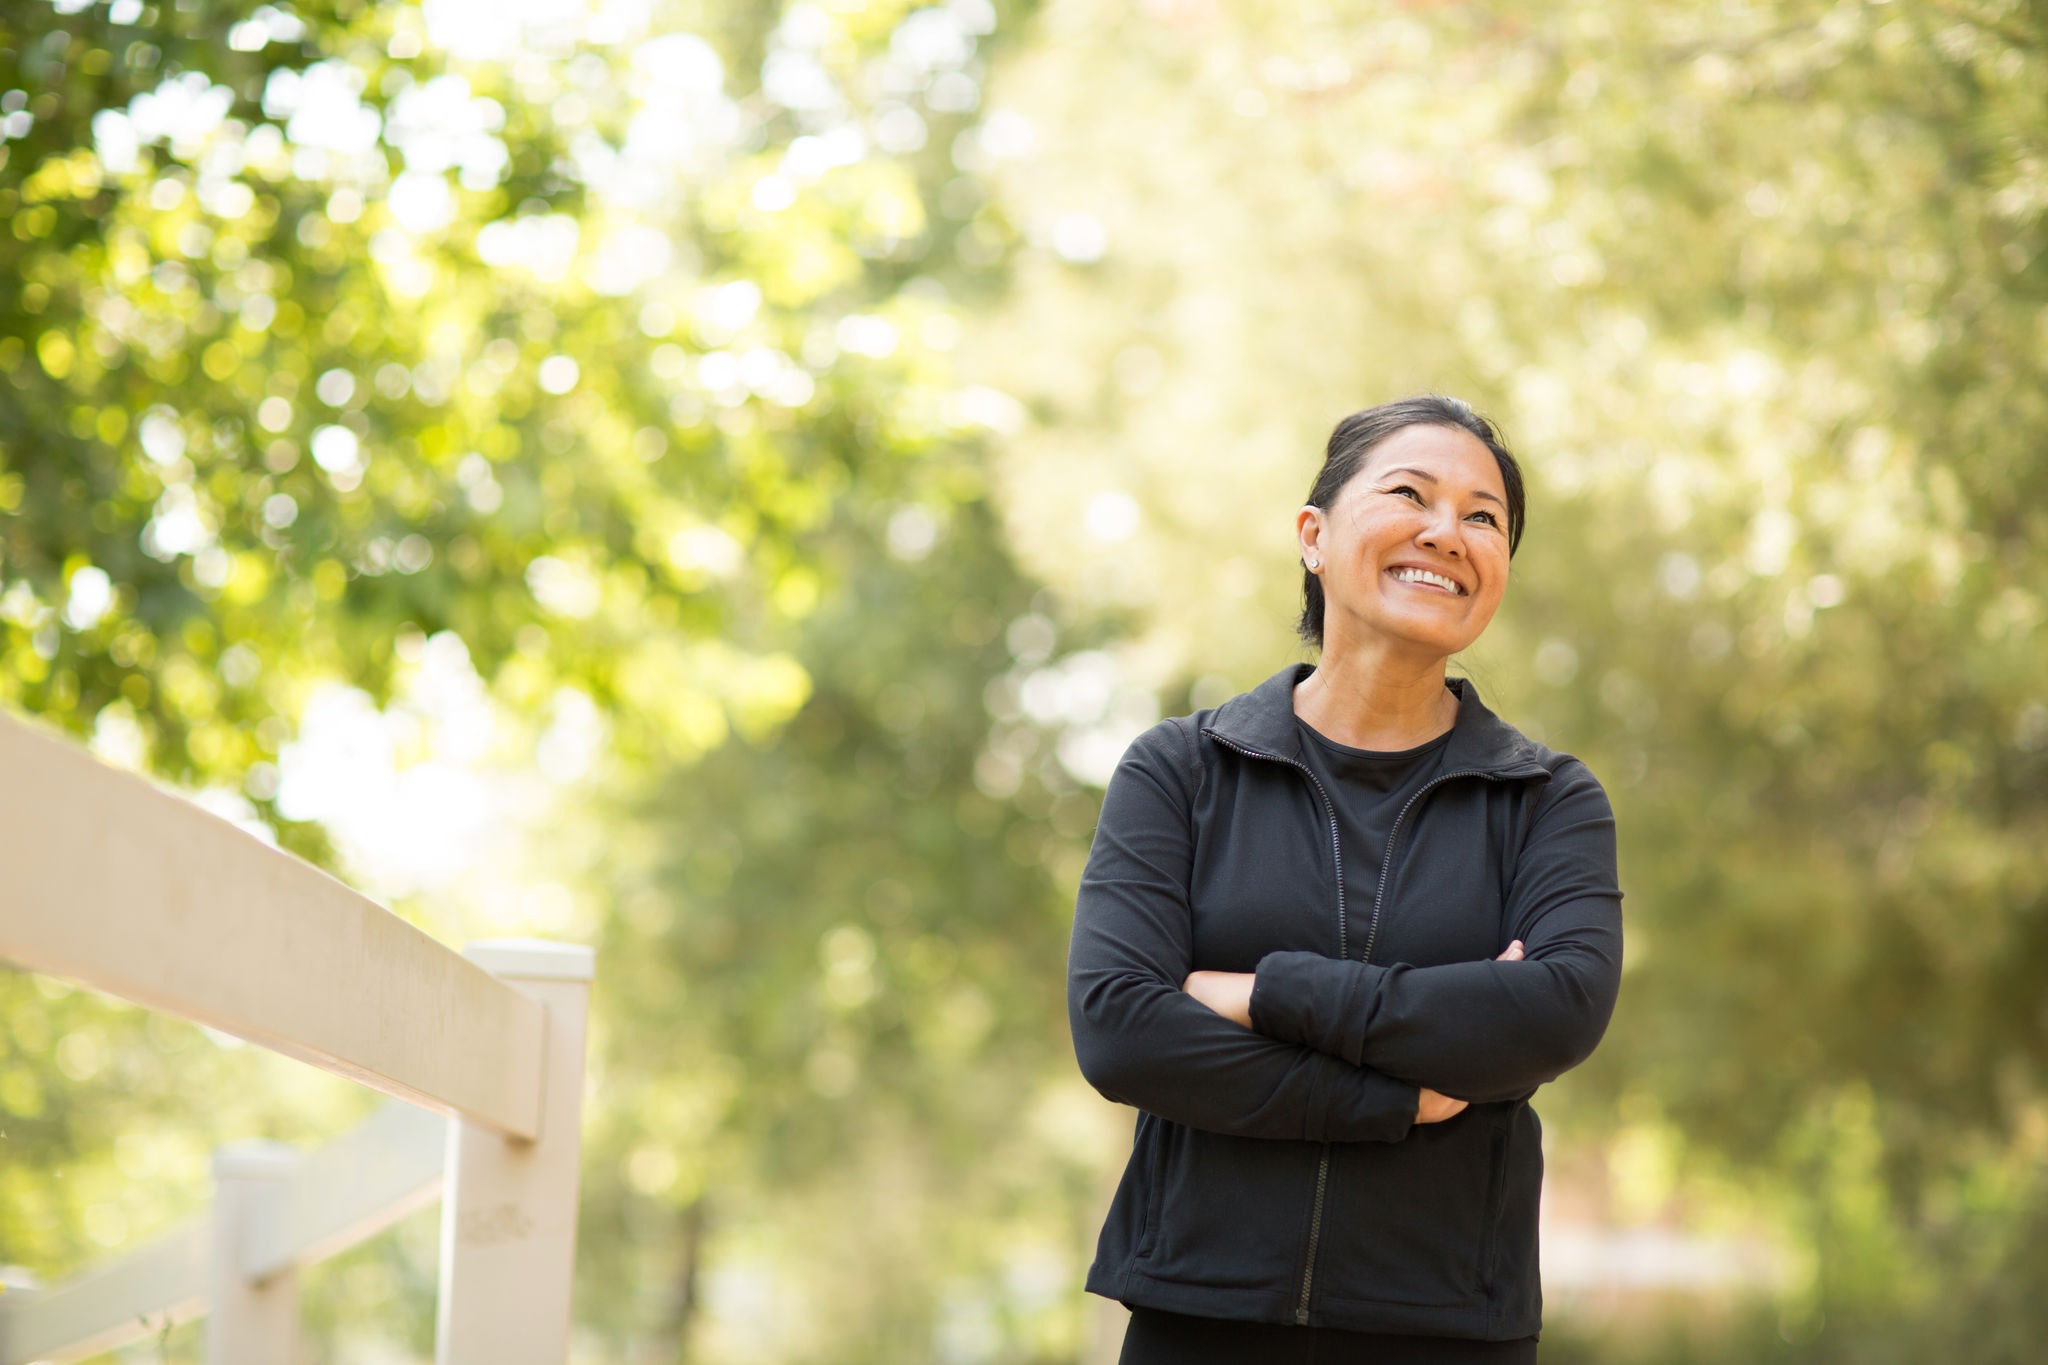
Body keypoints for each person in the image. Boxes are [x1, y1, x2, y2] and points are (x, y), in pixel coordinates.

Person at [1067, 396, 1624, 1363]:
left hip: (1449, 1325)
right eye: (1410, 493)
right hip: (1200, 1316)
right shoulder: (1183, 770)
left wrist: (1258, 991)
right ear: (1314, 536)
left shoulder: (1546, 798)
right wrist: (1396, 1098)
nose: (1448, 532)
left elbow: (1554, 1010)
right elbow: (1121, 1028)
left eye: (1484, 517)